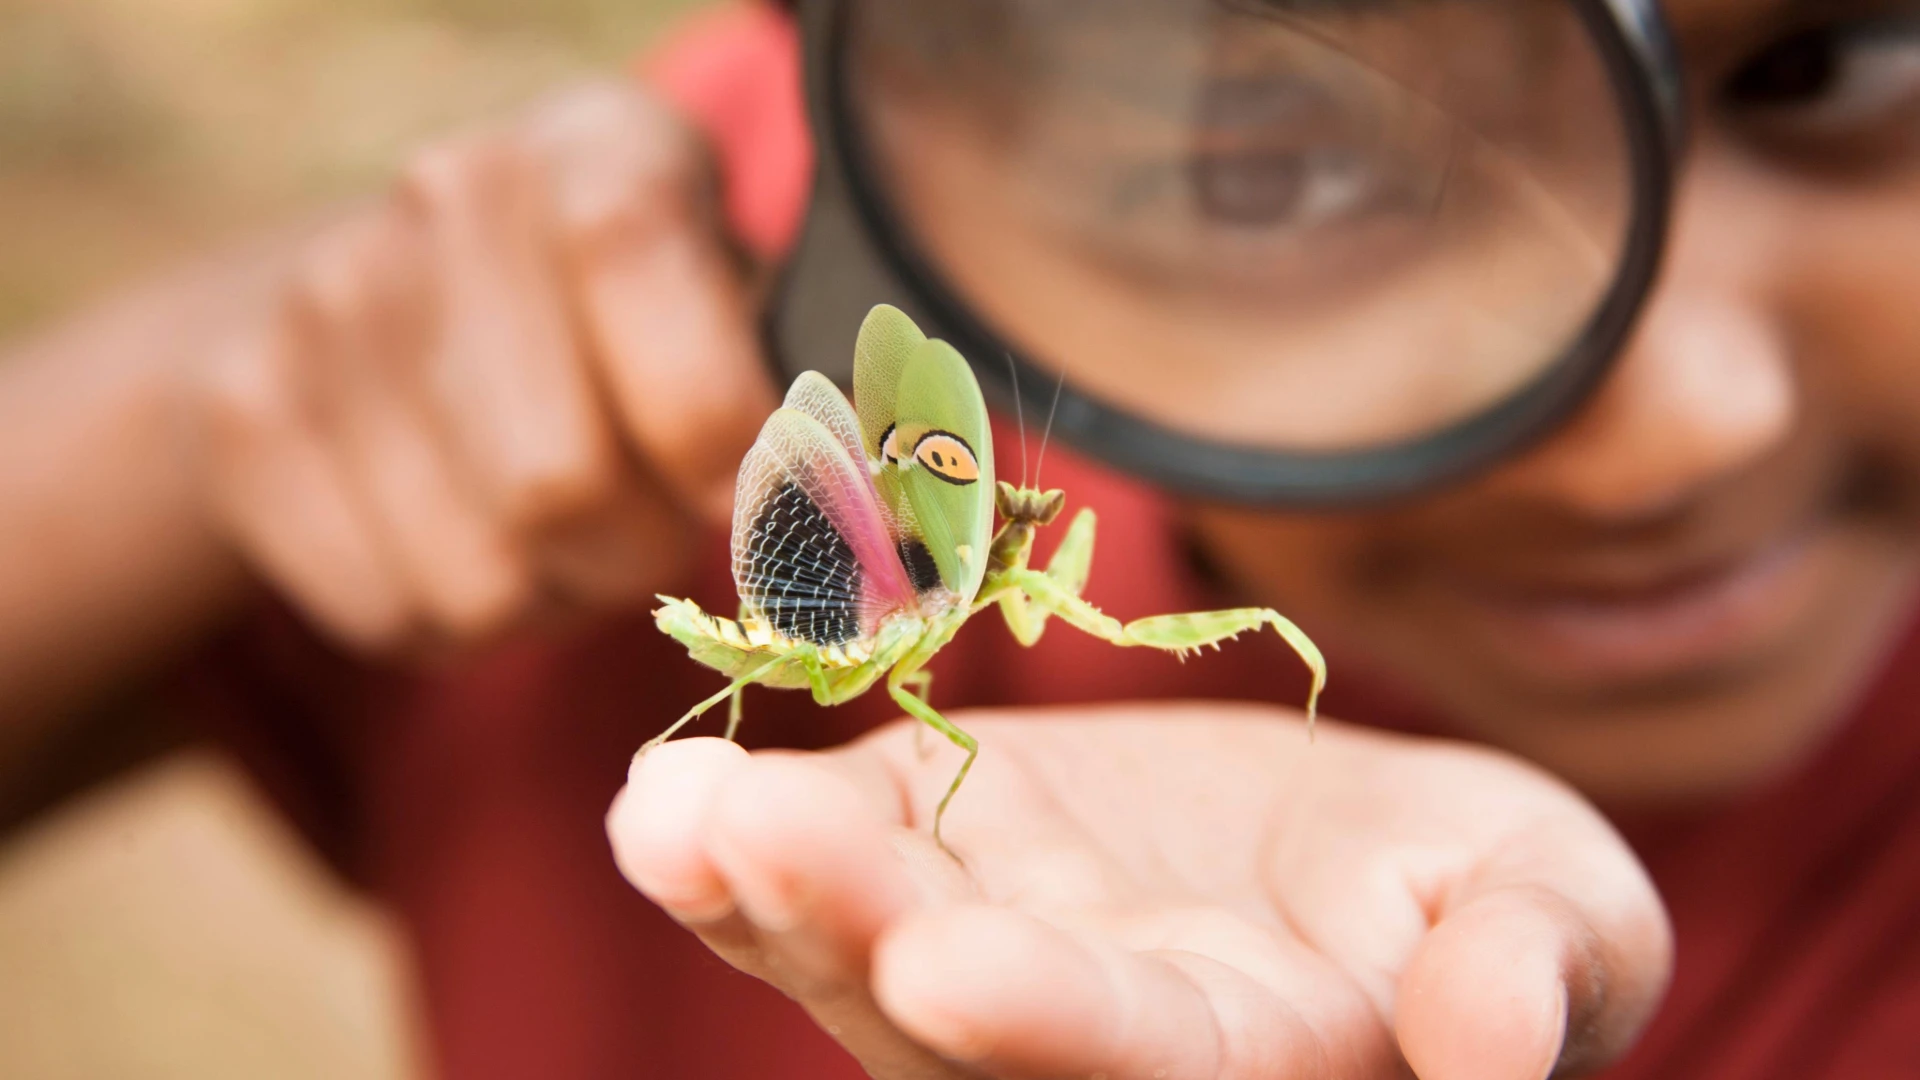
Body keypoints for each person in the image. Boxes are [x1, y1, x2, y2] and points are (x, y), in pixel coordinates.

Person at [3, 0, 1919, 1077]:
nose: (1684, 427)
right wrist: (209, 411)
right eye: (1283, 157)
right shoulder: (703, 303)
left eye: (1846, 60)